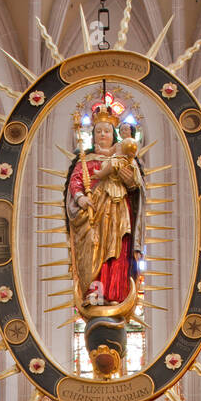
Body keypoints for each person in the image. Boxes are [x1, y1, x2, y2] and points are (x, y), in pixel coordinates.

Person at [65, 107, 143, 315]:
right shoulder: (86, 160)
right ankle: (93, 291)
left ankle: (115, 293)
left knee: (117, 250)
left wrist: (130, 181)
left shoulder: (123, 158)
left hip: (118, 210)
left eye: (107, 131)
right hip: (92, 213)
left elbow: (136, 186)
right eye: (98, 131)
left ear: (113, 135)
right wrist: (80, 198)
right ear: (93, 136)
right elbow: (76, 181)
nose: (102, 135)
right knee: (92, 247)